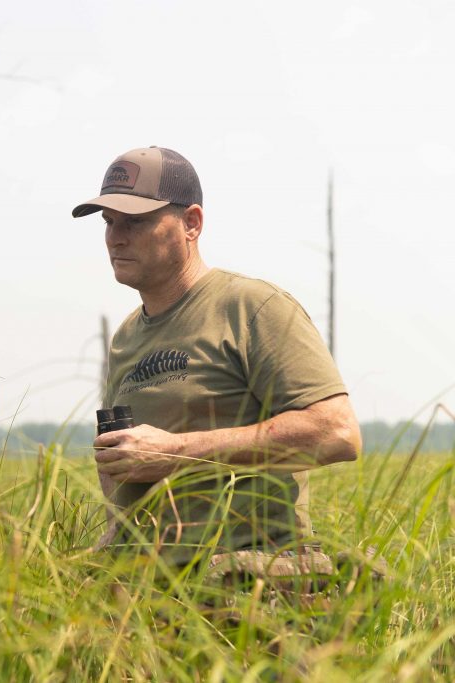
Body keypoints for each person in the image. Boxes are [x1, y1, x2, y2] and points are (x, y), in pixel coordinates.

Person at [71, 146, 361, 567]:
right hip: (149, 585)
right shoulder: (126, 338)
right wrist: (108, 550)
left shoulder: (253, 308)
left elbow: (337, 433)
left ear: (191, 223)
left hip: (248, 577)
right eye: (109, 221)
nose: (116, 237)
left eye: (136, 221)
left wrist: (176, 450)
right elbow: (121, 466)